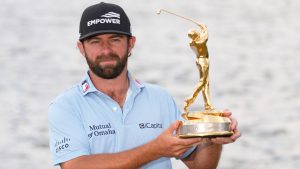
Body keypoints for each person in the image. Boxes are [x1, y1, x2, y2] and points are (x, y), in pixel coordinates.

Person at [48, 2, 241, 169]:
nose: (106, 49)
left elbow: (200, 165)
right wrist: (155, 150)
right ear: (81, 48)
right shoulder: (65, 105)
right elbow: (76, 166)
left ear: (130, 43)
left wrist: (212, 136)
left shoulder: (160, 99)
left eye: (115, 39)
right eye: (95, 41)